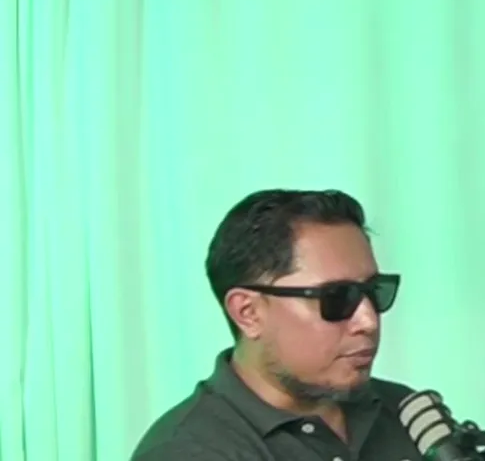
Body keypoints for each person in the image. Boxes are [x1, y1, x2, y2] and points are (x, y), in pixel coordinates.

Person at [131, 189, 421, 460]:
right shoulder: (187, 451)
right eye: (337, 298)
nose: (368, 321)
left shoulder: (408, 414)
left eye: (374, 291)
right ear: (248, 313)